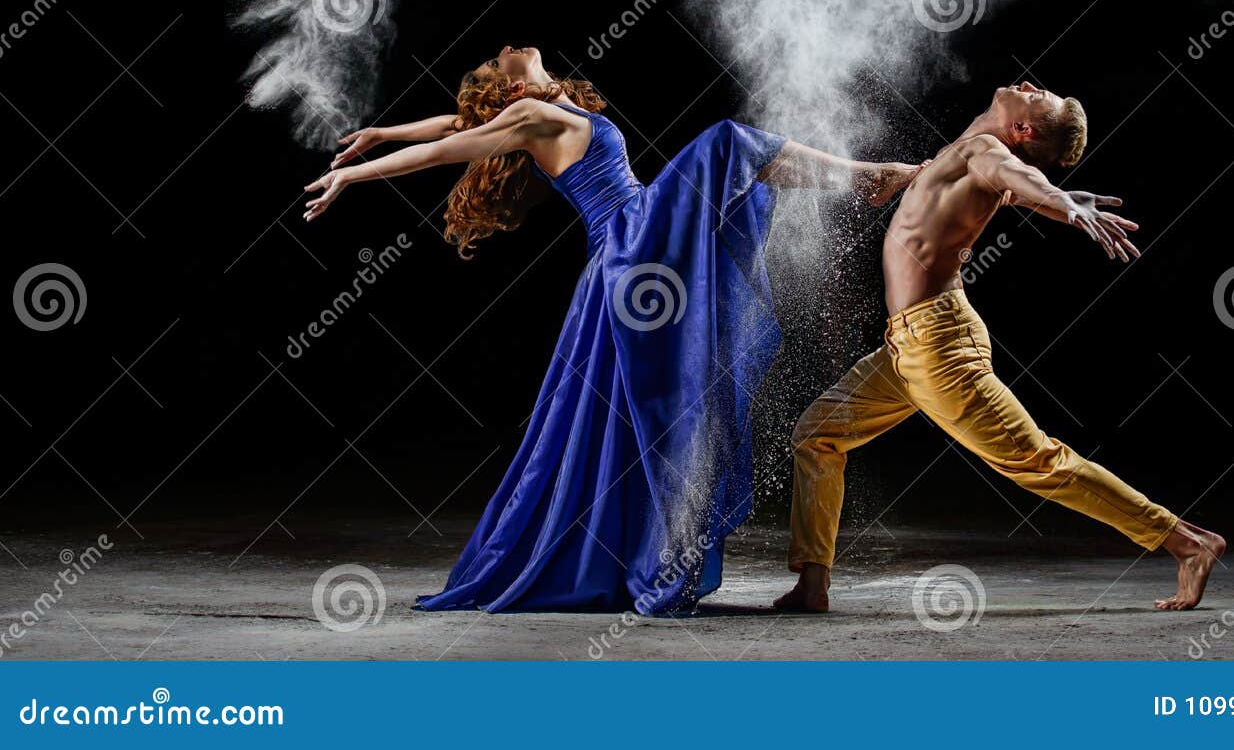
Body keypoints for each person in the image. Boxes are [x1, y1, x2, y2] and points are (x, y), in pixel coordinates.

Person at [304, 45, 919, 615]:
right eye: (498, 58)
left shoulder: (542, 111)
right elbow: (450, 147)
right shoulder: (526, 115)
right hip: (632, 239)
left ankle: (864, 176)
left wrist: (383, 131)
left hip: (633, 247)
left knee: (736, 166)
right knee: (729, 142)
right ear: (510, 84)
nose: (507, 45)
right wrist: (354, 177)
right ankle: (867, 175)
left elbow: (449, 128)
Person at [777, 82, 1225, 613]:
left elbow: (1019, 178)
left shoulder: (987, 153)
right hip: (907, 348)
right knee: (818, 434)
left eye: (1042, 98)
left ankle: (1186, 542)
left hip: (940, 350)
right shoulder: (967, 154)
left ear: (1024, 129)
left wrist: (1060, 200)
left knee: (1038, 460)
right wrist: (1065, 206)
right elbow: (1014, 189)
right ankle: (813, 583)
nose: (1031, 86)